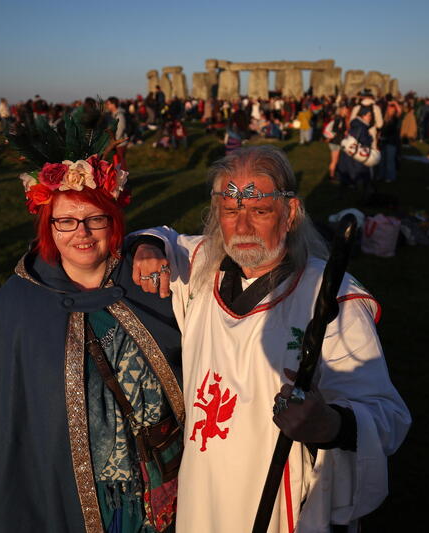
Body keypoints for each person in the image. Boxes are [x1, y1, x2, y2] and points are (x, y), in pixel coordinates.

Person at [130, 145, 411, 533]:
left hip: (280, 500)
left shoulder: (330, 298)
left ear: (290, 213)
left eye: (259, 211)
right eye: (230, 211)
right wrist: (147, 247)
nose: (242, 227)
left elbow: (387, 417)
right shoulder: (200, 268)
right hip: (203, 494)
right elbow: (159, 236)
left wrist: (329, 424)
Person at [0, 135, 184, 532]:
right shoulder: (14, 312)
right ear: (48, 226)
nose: (82, 233)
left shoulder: (150, 278)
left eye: (95, 219)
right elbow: (12, 433)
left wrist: (150, 240)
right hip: (88, 498)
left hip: (171, 475)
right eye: (67, 221)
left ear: (113, 221)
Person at [336, 103, 377, 201]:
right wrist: (369, 140)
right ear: (363, 116)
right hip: (355, 159)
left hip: (352, 158)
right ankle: (364, 198)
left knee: (349, 180)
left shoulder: (359, 125)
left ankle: (347, 196)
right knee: (361, 177)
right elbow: (354, 144)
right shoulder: (360, 127)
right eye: (369, 115)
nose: (370, 118)